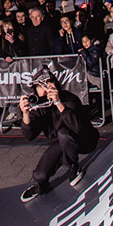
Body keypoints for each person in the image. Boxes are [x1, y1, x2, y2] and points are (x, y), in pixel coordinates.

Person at [19, 69, 99, 203]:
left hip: (84, 139)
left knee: (63, 133)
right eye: (41, 86)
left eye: (48, 83)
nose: (45, 89)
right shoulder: (38, 106)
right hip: (61, 143)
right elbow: (29, 136)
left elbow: (78, 127)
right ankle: (41, 185)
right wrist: (25, 115)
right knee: (40, 175)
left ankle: (73, 167)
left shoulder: (69, 99)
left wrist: (58, 103)